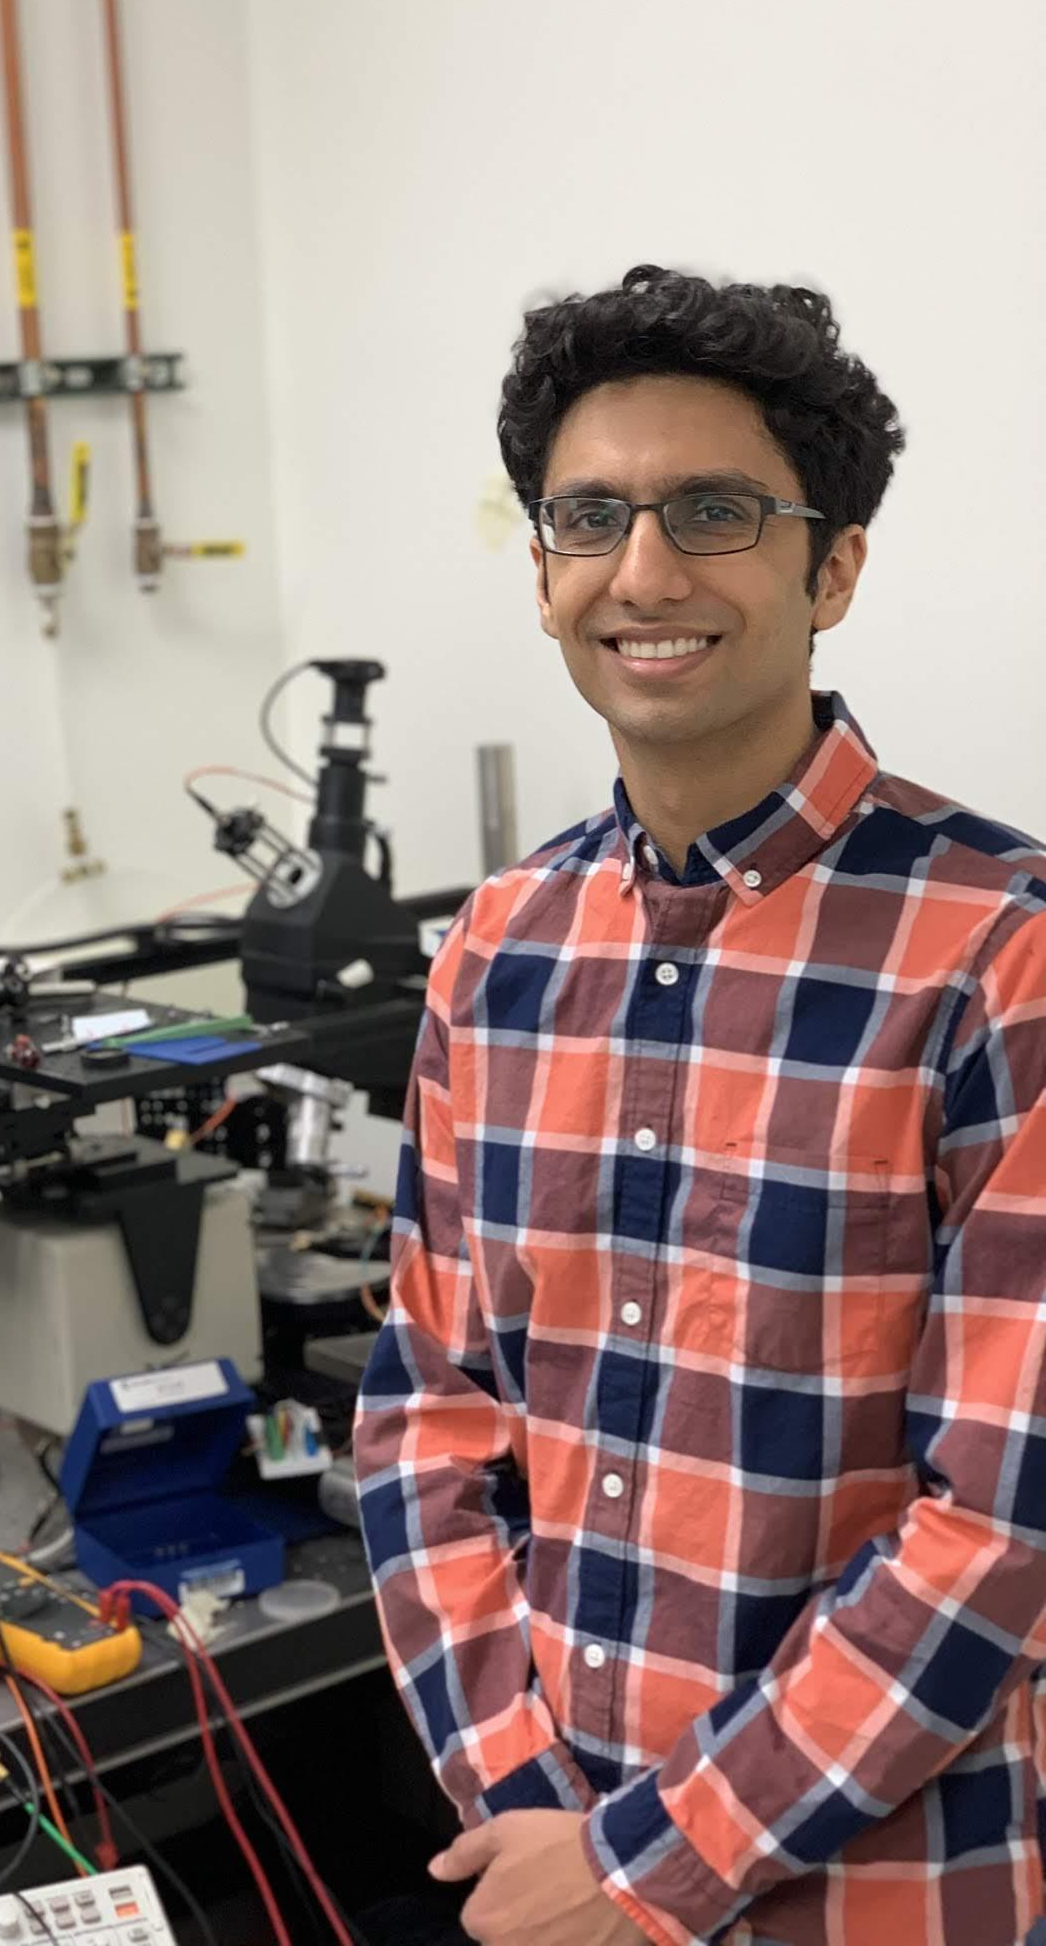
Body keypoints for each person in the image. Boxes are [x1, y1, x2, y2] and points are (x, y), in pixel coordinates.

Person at [355, 264, 1046, 1946]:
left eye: (714, 512)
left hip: (881, 1897)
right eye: (591, 518)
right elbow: (430, 1420)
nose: (644, 572)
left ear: (834, 567)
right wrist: (531, 1813)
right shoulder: (496, 950)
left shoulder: (1000, 954)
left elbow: (1002, 1522)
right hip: (550, 1863)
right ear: (543, 575)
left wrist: (645, 1869)